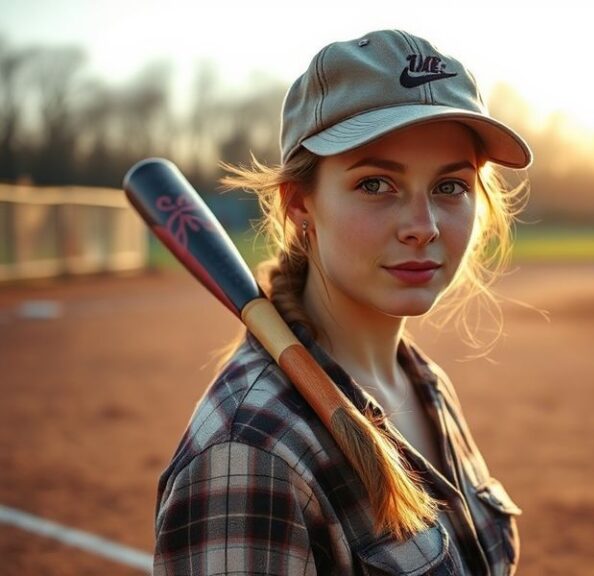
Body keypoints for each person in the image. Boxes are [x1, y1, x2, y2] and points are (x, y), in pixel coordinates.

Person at [153, 29, 532, 575]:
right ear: (300, 203)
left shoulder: (421, 382)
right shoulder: (251, 454)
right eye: (376, 184)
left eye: (451, 187)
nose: (423, 227)